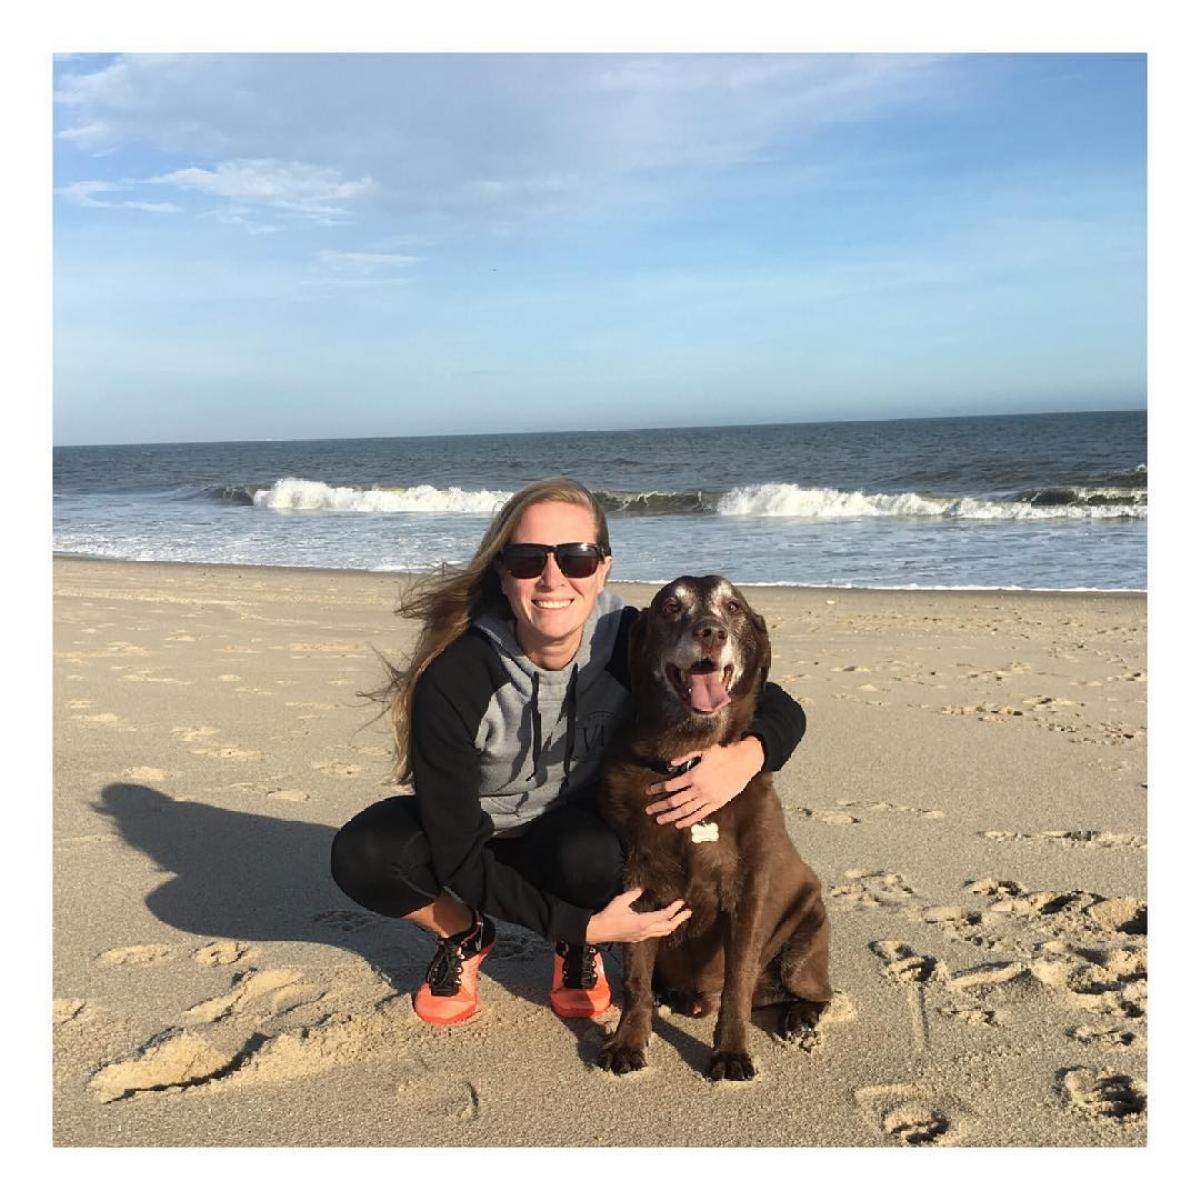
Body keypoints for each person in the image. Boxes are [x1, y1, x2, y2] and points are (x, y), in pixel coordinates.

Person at [330, 477, 807, 1025]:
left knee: (594, 855)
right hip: (473, 831)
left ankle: (575, 949)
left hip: (567, 832)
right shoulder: (457, 677)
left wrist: (745, 757)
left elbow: (781, 707)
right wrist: (583, 927)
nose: (553, 578)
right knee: (363, 854)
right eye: (529, 559)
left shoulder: (633, 639)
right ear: (503, 572)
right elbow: (458, 853)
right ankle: (464, 932)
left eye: (577, 559)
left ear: (603, 567)